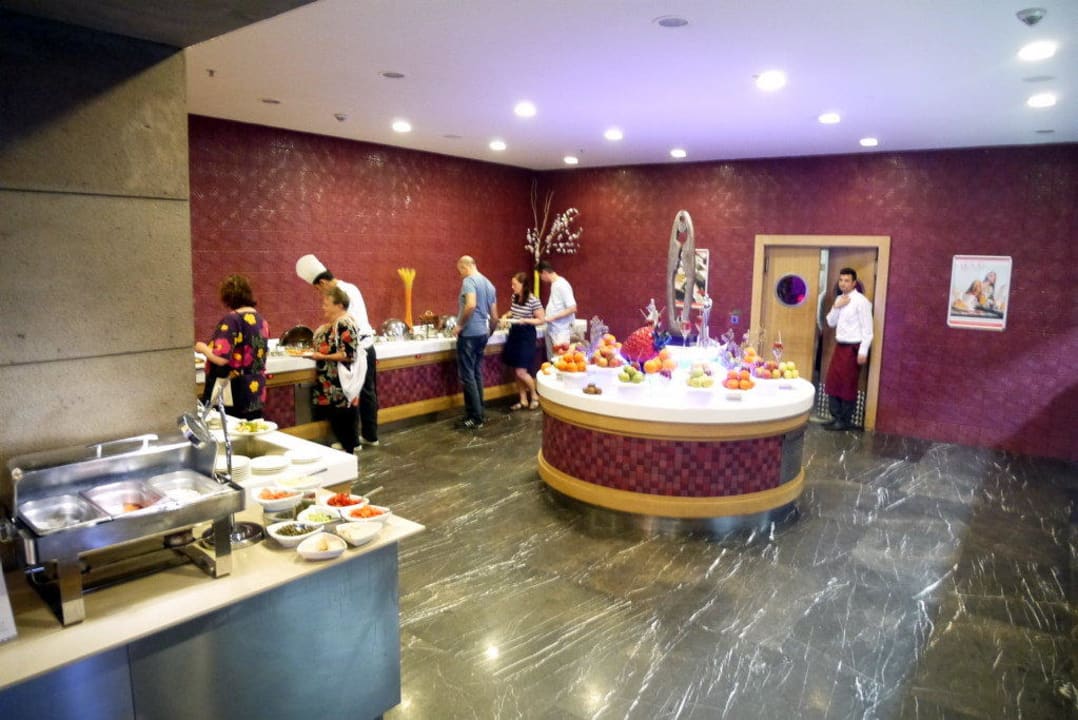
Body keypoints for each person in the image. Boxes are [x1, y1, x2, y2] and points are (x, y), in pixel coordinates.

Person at [296, 254, 379, 447]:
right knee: (367, 393)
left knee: (350, 396)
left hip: (356, 351)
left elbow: (346, 325)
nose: (321, 298)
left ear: (323, 282)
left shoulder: (340, 294)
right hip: (367, 347)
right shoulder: (351, 287)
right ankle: (370, 436)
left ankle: (352, 442)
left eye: (318, 289)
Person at [195, 274, 269, 420]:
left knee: (230, 427)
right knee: (252, 427)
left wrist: (202, 348)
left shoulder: (232, 320)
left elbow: (221, 358)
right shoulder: (262, 321)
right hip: (255, 388)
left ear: (228, 297)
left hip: (233, 389)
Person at [310, 286, 360, 453]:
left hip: (338, 384)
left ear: (339, 305)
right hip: (332, 383)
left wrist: (322, 357)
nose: (323, 307)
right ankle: (347, 452)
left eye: (327, 304)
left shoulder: (344, 323)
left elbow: (349, 355)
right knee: (338, 420)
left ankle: (349, 455)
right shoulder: (334, 324)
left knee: (342, 421)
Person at [823, 267, 873, 431]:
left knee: (847, 385)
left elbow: (868, 330)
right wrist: (836, 306)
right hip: (840, 346)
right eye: (841, 280)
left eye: (846, 281)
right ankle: (835, 417)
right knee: (833, 381)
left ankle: (844, 421)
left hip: (853, 348)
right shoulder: (839, 299)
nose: (843, 284)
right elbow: (830, 322)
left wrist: (863, 351)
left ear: (854, 283)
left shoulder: (861, 301)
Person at [453, 255, 497, 429]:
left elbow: (470, 304)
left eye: (460, 271)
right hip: (482, 334)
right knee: (476, 373)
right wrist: (489, 332)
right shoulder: (489, 284)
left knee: (468, 376)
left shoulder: (469, 281)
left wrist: (459, 325)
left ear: (465, 267)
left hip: (469, 334)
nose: (460, 275)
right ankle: (480, 412)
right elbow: (494, 316)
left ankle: (474, 417)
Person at [500, 271, 545, 410]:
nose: (512, 287)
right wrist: (505, 316)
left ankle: (535, 395)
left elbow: (541, 319)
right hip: (514, 334)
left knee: (521, 371)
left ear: (523, 285)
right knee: (516, 370)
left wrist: (525, 320)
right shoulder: (515, 296)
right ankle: (523, 399)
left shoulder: (533, 300)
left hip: (526, 335)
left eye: (515, 284)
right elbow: (513, 311)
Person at [537, 260, 577, 360]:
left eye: (540, 275)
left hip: (561, 331)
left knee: (561, 361)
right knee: (553, 361)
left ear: (544, 272)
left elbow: (572, 308)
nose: (541, 279)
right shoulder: (555, 285)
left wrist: (553, 317)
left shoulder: (561, 284)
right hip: (553, 329)